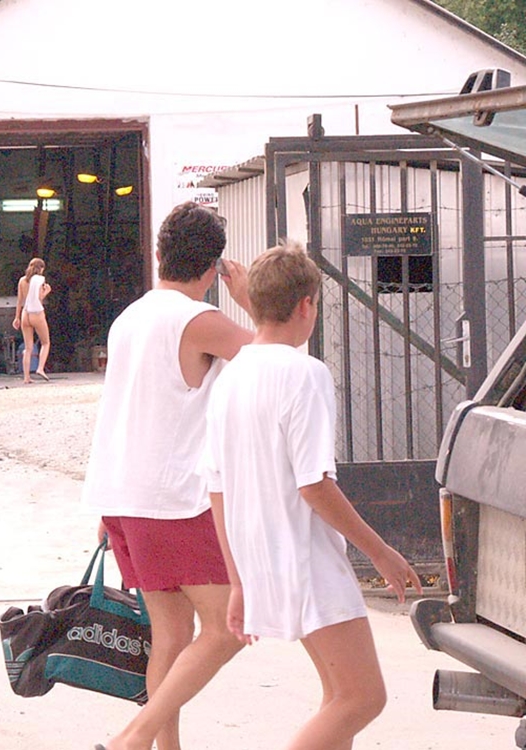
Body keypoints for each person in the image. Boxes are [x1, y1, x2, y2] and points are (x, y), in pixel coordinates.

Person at [201, 241, 423, 750]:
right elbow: (314, 484)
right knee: (362, 699)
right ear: (306, 305)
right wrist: (380, 552)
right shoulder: (305, 373)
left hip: (261, 557)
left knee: (338, 696)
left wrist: (238, 580)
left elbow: (217, 489)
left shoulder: (230, 378)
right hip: (306, 560)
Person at [85, 202, 254, 750]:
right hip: (173, 501)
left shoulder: (129, 318)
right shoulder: (198, 320)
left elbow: (120, 409)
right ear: (214, 268)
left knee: (173, 635)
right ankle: (131, 740)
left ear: (158, 254)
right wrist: (250, 301)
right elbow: (275, 357)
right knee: (229, 627)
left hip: (124, 497)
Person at [12, 257, 52, 383]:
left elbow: (19, 301)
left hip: (25, 313)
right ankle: (40, 368)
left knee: (28, 348)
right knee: (45, 343)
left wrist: (17, 317)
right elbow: (38, 299)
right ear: (41, 269)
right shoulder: (39, 280)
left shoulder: (22, 280)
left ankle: (26, 377)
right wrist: (46, 292)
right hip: (37, 313)